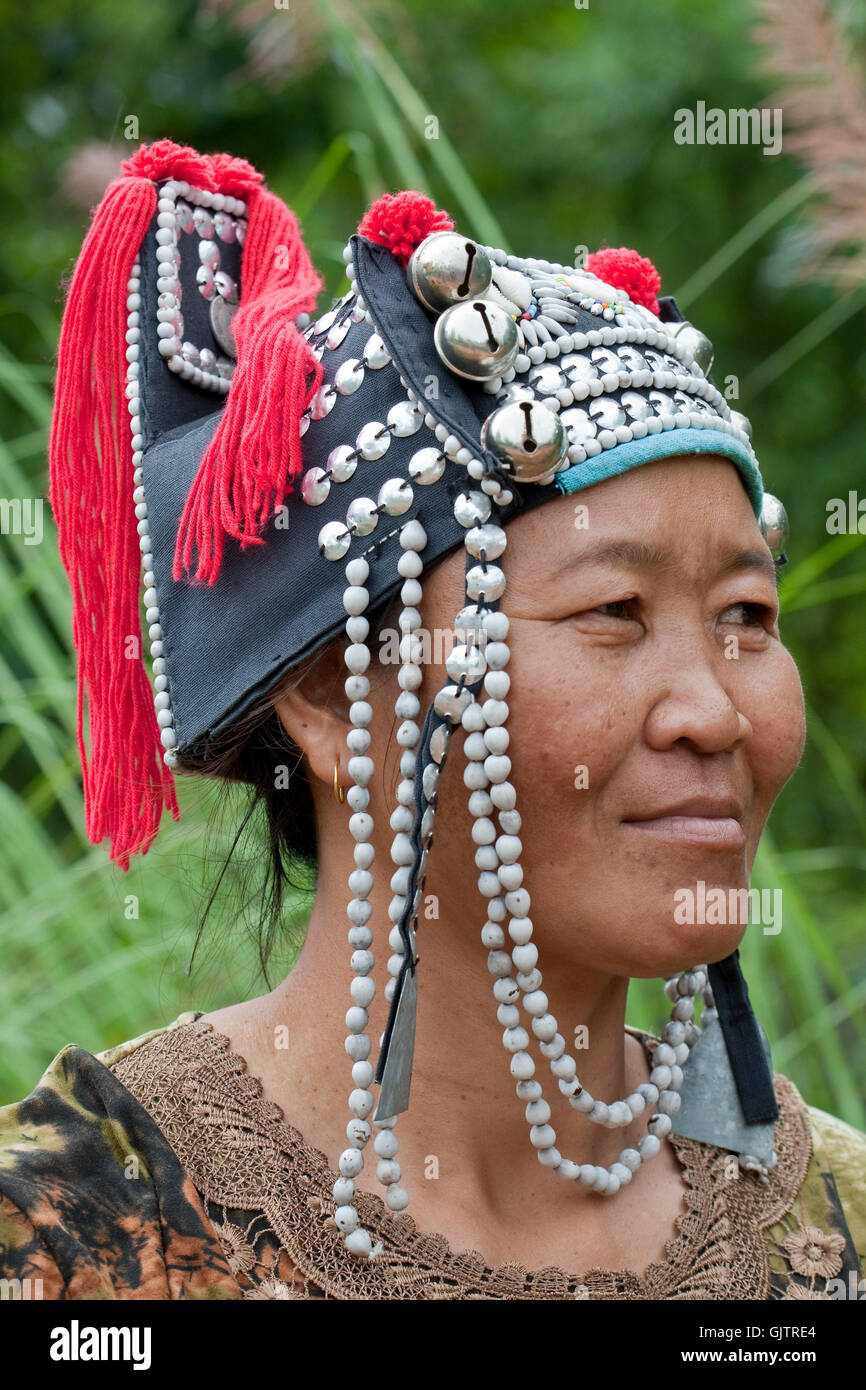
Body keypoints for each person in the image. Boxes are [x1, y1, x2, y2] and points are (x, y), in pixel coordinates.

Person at [0, 139, 863, 1301]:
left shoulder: (835, 1222)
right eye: (613, 608)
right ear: (326, 697)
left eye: (746, 615)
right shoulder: (73, 1236)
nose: (714, 708)